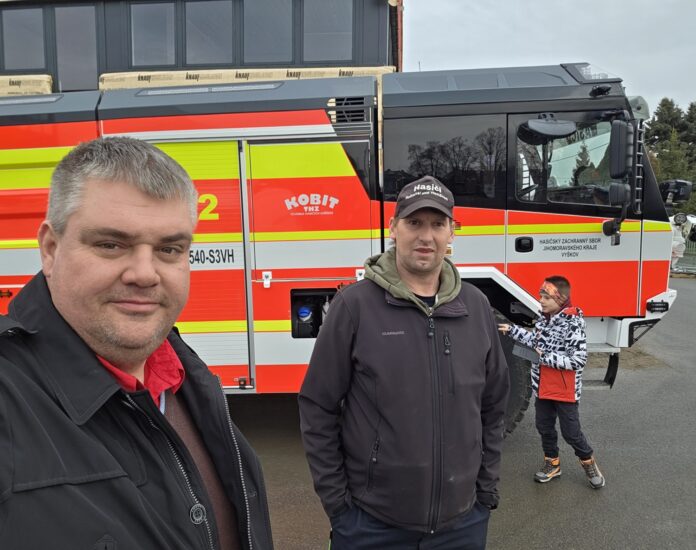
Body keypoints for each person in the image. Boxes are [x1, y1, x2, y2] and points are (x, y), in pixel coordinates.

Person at [0, 137, 273, 549]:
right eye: (111, 245)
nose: (145, 274)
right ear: (51, 249)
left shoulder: (185, 375)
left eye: (169, 249)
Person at [299, 176, 510, 550]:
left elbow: (494, 407)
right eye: (414, 223)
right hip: (371, 525)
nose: (426, 236)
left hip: (462, 524)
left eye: (437, 224)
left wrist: (485, 493)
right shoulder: (354, 307)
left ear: (451, 233)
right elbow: (318, 406)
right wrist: (339, 507)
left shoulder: (476, 308)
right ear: (394, 228)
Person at [498, 276, 605, 489]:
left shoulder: (573, 323)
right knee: (544, 427)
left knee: (571, 433)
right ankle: (552, 463)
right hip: (543, 387)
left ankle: (588, 462)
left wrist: (546, 357)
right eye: (541, 296)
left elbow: (578, 360)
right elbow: (535, 342)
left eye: (546, 297)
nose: (541, 301)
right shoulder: (544, 319)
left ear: (560, 299)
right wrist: (513, 330)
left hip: (564, 390)